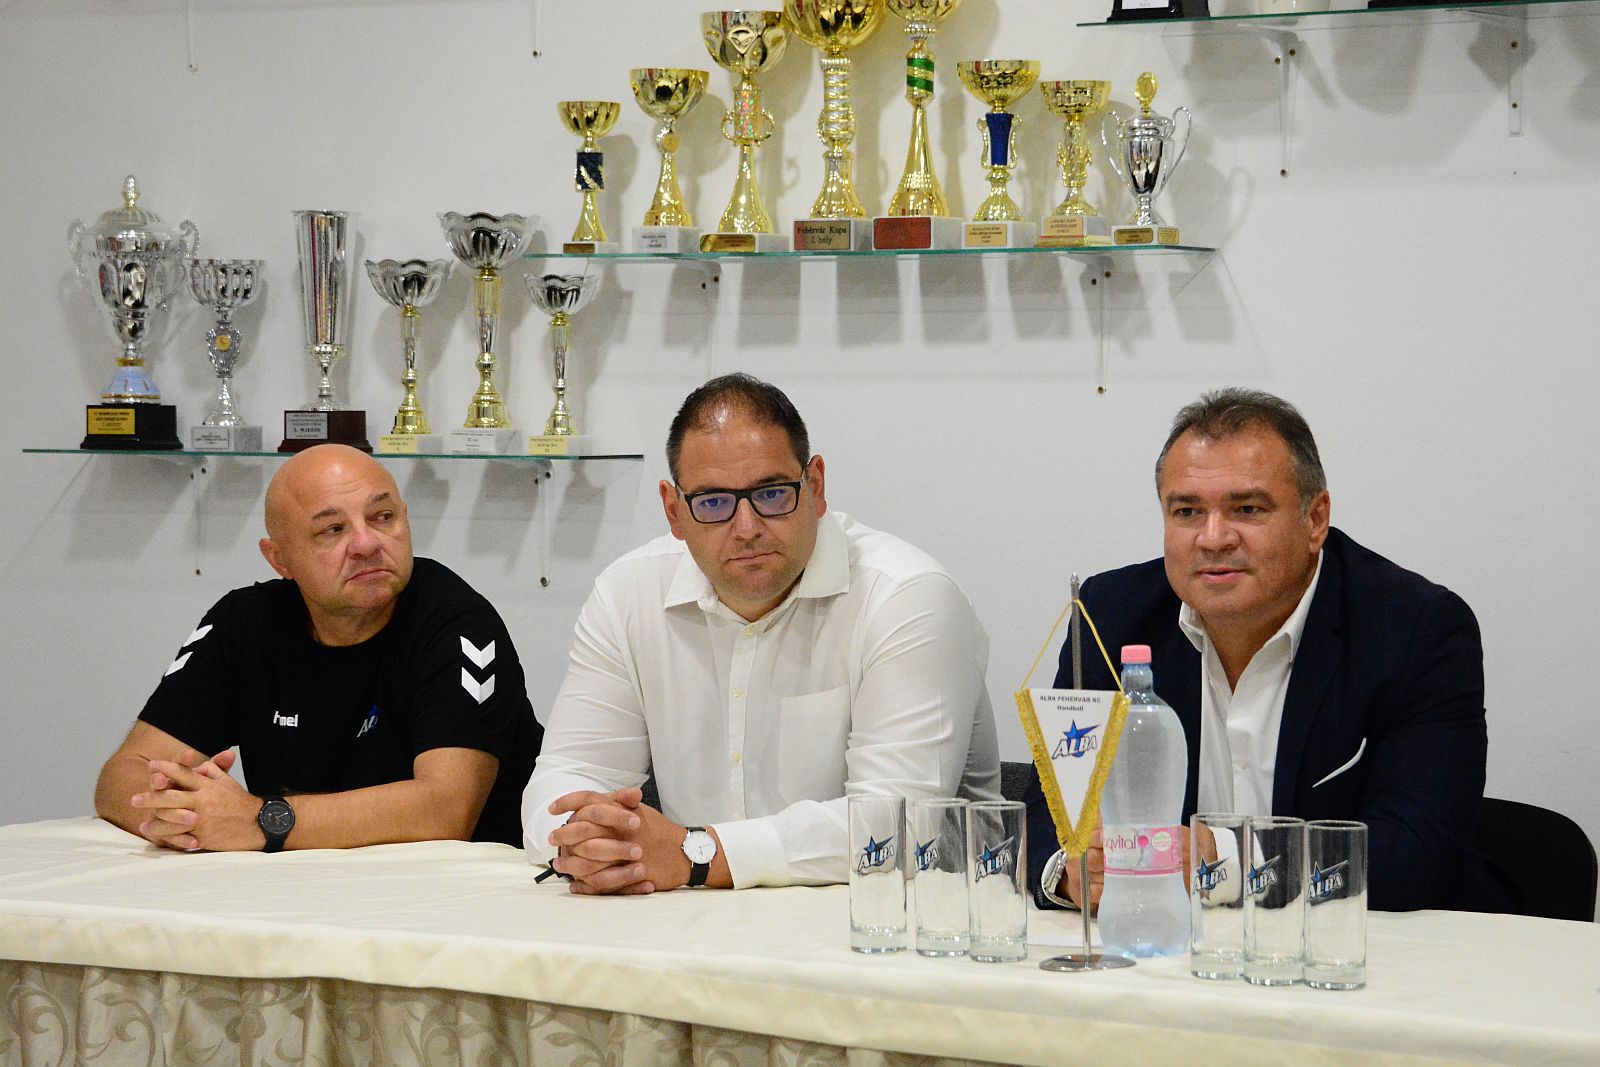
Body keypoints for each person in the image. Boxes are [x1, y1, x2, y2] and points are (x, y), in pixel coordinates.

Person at [1025, 388, 1504, 912]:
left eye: (1247, 509)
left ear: (1315, 519)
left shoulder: (1415, 629)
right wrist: (1072, 873)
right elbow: (1050, 805)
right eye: (1187, 511)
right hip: (1165, 944)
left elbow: (1416, 851)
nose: (1213, 538)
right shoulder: (1111, 614)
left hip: (1363, 947)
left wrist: (1222, 862)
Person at [522, 373, 1001, 894]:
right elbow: (566, 774)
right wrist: (586, 841)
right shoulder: (627, 595)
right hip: (696, 918)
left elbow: (897, 826)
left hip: (908, 922)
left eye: (772, 494)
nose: (747, 527)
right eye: (713, 502)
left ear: (815, 487)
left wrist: (694, 853)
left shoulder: (907, 596)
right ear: (674, 511)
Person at [93, 444, 541, 852]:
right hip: (300, 887)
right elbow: (121, 774)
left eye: (383, 517)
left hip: (456, 893)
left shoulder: (456, 621)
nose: (366, 543)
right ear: (279, 558)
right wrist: (180, 816)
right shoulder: (243, 623)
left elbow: (445, 811)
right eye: (332, 529)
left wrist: (259, 820)